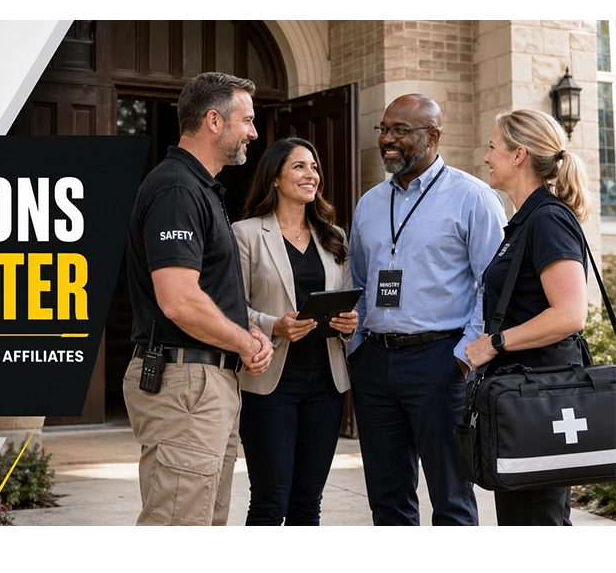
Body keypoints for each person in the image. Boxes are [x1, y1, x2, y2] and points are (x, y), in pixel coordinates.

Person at [347, 93, 507, 530]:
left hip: (440, 363)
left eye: (401, 130)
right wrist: (357, 347)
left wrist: (462, 357)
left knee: (451, 498)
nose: (388, 140)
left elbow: (492, 287)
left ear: (433, 135)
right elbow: (358, 281)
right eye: (384, 129)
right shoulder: (370, 203)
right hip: (375, 363)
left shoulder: (473, 198)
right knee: (387, 499)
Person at [122, 72, 274, 527]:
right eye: (246, 120)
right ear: (213, 120)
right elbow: (179, 300)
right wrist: (246, 344)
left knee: (204, 524)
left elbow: (204, 292)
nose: (253, 132)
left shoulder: (201, 188)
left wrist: (243, 331)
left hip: (205, 382)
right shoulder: (176, 189)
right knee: (178, 528)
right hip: (185, 382)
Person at [465, 109, 590, 532]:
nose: (486, 158)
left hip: (541, 401)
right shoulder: (525, 220)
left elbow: (570, 314)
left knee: (537, 528)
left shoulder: (548, 220)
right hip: (522, 399)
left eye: (492, 147)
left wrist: (493, 344)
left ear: (518, 155)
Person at [231, 137, 358, 531]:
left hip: (326, 383)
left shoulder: (332, 235)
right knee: (270, 501)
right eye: (300, 166)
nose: (311, 175)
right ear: (275, 177)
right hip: (270, 384)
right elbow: (232, 307)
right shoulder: (246, 233)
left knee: (308, 503)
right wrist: (275, 325)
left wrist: (349, 325)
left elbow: (348, 300)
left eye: (314, 167)